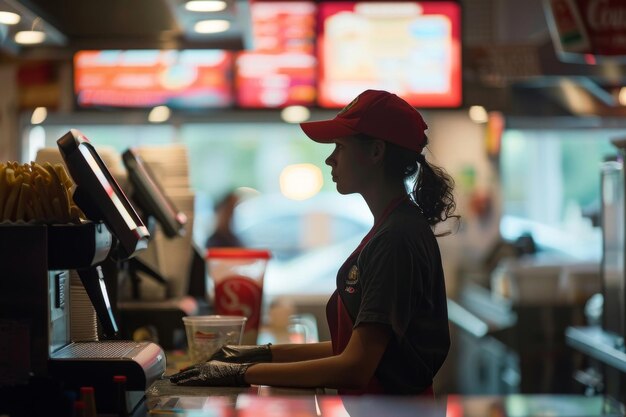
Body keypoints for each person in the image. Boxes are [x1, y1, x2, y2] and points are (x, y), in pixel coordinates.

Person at [171, 89, 459, 395]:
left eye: (340, 147)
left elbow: (355, 366)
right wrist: (255, 354)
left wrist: (243, 373)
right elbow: (349, 348)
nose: (330, 159)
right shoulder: (391, 228)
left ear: (376, 152)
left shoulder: (396, 239)